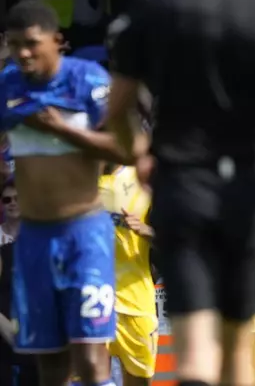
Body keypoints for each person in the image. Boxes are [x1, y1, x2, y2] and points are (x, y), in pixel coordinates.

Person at [105, 0, 255, 385]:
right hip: (247, 189)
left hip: (181, 187)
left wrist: (140, 153)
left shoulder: (149, 11)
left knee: (195, 350)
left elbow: (118, 110)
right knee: (236, 345)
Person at [0, 0, 134, 386]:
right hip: (33, 240)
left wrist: (65, 131)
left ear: (57, 40)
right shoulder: (8, 86)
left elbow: (126, 149)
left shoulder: (88, 81)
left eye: (31, 43)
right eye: (14, 44)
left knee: (92, 361)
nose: (23, 52)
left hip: (84, 235)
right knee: (50, 365)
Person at [99, 164, 157, 386]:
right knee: (89, 378)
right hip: (94, 298)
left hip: (135, 302)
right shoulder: (81, 175)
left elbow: (176, 240)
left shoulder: (145, 177)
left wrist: (146, 231)